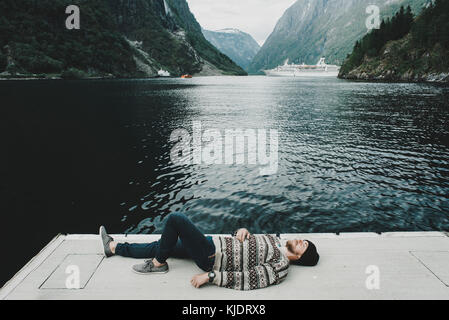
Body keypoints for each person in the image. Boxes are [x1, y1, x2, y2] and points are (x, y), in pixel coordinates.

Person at [99, 212, 319, 290]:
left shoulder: (280, 267)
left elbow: (248, 279)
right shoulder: (275, 240)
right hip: (214, 243)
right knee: (162, 246)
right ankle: (113, 247)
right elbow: (245, 240)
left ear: (300, 256)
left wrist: (211, 276)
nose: (300, 240)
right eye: (303, 240)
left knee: (176, 220)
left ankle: (158, 265)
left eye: (303, 244)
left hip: (212, 257)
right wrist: (241, 231)